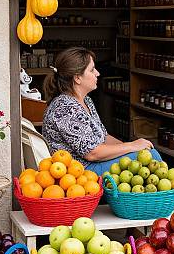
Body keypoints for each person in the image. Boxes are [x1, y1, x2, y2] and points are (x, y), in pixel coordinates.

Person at [42, 47, 161, 175]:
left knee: (145, 154)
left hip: (94, 165)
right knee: (152, 156)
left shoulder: (86, 101)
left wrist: (131, 149)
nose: (97, 73)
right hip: (80, 172)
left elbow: (103, 137)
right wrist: (132, 146)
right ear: (77, 78)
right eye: (92, 69)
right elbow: (92, 153)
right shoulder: (65, 108)